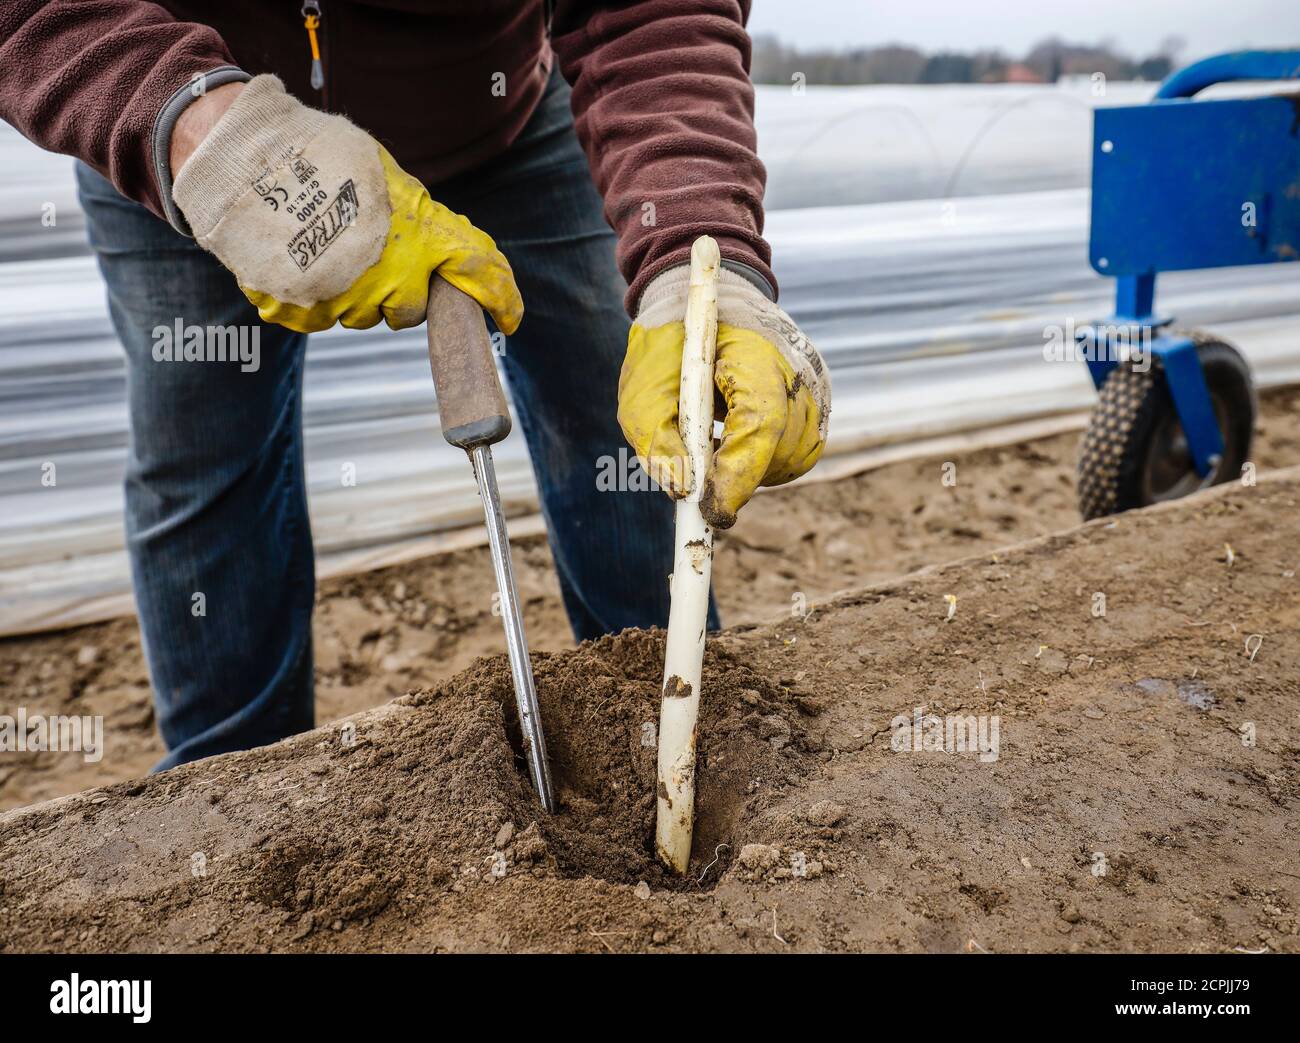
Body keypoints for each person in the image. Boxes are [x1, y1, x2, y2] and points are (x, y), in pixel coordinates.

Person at [0, 1, 830, 767]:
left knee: (625, 425)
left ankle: (664, 735)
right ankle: (234, 811)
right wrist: (214, 146)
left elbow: (650, 8)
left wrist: (695, 251)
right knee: (203, 464)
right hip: (186, 116)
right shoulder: (196, 132)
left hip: (498, 125)